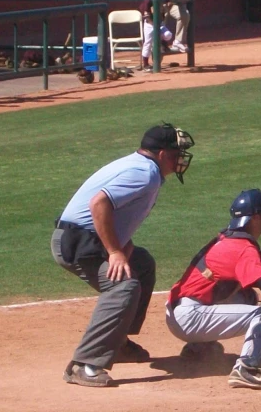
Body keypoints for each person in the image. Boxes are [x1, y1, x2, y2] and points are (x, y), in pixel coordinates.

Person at [51, 123, 195, 387]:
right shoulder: (145, 173)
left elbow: (119, 216)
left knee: (141, 264)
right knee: (123, 286)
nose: (180, 158)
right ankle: (85, 364)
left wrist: (123, 248)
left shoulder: (144, 168)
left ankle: (118, 343)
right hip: (78, 242)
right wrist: (115, 251)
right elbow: (99, 203)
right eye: (176, 153)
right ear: (162, 154)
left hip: (85, 238)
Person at [166, 189, 261, 390]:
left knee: (248, 296)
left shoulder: (227, 238)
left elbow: (253, 281)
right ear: (257, 217)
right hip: (190, 317)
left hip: (179, 312)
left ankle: (200, 348)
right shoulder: (243, 248)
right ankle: (247, 370)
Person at [139, 0, 173, 72]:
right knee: (148, 43)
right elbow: (146, 16)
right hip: (150, 25)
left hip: (159, 23)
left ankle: (162, 43)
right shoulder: (148, 1)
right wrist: (154, 25)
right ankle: (146, 64)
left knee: (168, 35)